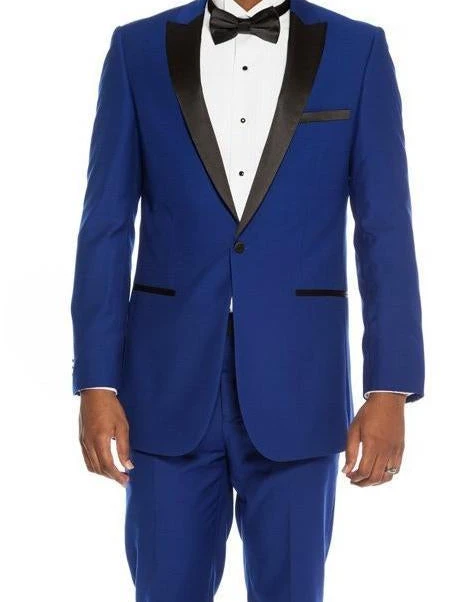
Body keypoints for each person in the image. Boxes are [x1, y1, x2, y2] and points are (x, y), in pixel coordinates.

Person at [72, 1, 425, 600]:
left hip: (301, 384)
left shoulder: (358, 50)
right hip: (165, 386)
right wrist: (96, 382)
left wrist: (389, 387)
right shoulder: (136, 50)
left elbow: (384, 229)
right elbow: (105, 227)